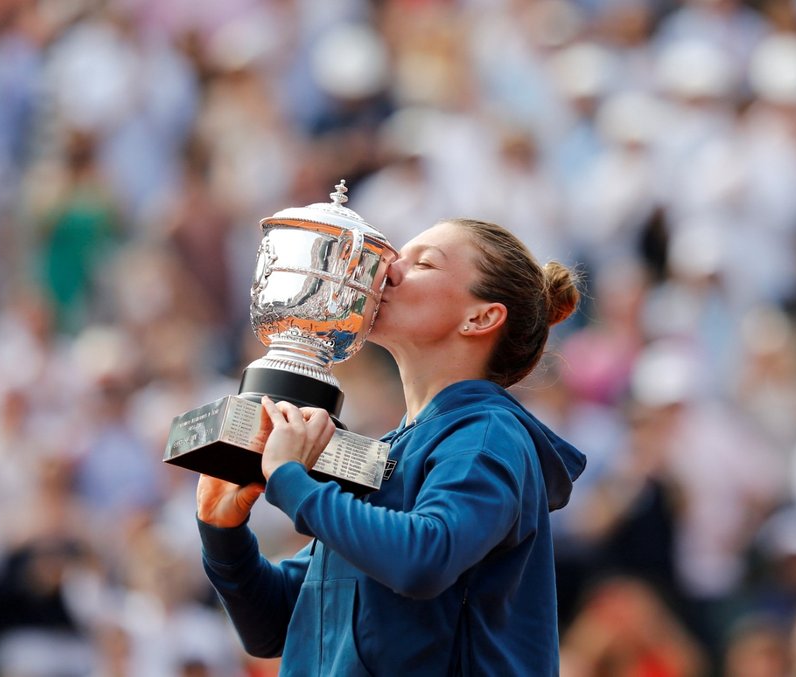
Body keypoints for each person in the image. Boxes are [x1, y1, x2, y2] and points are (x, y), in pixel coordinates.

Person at [194, 218, 587, 675]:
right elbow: (275, 627)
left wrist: (292, 482)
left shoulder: (486, 435)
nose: (388, 271)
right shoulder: (389, 451)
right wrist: (224, 534)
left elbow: (425, 557)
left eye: (423, 263)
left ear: (480, 317)